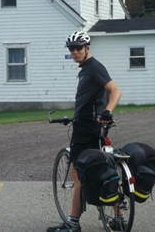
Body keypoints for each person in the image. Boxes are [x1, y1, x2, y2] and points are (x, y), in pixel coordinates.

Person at [47, 31, 122, 232]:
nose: (74, 52)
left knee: (78, 173)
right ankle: (119, 218)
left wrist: (107, 110)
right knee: (102, 170)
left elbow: (115, 90)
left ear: (87, 48)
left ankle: (72, 223)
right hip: (92, 125)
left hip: (86, 129)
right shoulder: (86, 69)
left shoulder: (94, 67)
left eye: (78, 48)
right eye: (71, 49)